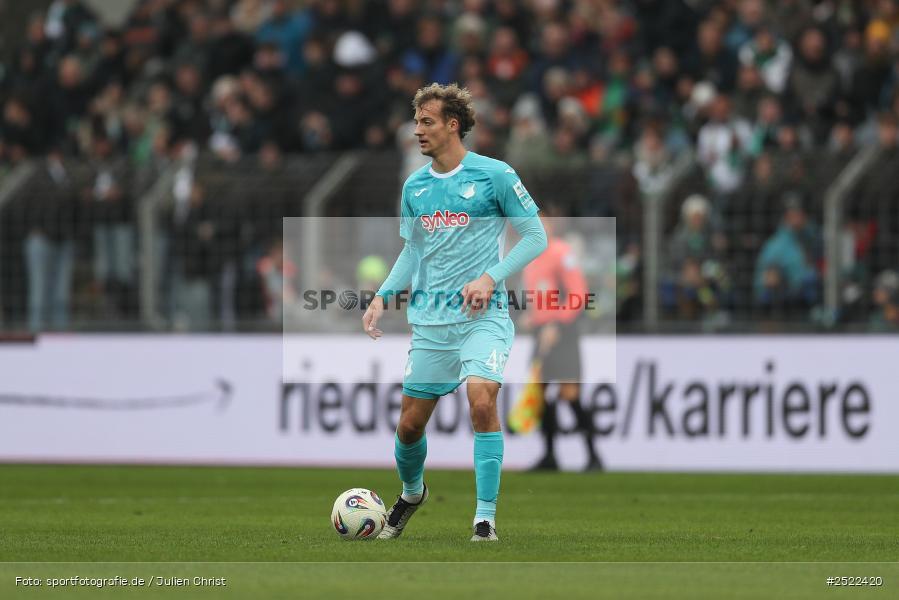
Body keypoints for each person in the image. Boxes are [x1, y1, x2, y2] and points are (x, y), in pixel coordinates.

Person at [361, 83, 547, 542]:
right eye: (416, 121)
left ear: (452, 124)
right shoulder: (415, 187)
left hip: (484, 318)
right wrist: (383, 295)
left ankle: (484, 518)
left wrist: (490, 278)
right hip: (431, 324)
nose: (417, 130)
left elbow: (535, 237)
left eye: (426, 122)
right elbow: (412, 251)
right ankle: (412, 493)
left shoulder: (495, 175)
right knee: (409, 426)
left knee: (482, 401)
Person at [521, 208, 602, 472]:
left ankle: (593, 456)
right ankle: (550, 456)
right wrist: (533, 317)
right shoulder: (529, 256)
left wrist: (556, 323)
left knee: (569, 393)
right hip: (541, 332)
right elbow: (541, 296)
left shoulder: (561, 253)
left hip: (562, 332)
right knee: (540, 392)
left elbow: (578, 294)